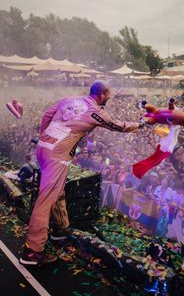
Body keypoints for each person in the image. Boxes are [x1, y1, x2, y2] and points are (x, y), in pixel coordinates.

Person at [19, 81, 145, 265]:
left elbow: (47, 114)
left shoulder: (70, 99)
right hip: (57, 154)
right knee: (45, 199)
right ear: (101, 95)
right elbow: (119, 126)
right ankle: (32, 251)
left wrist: (43, 134)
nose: (109, 98)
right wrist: (140, 124)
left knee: (56, 190)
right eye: (108, 95)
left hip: (44, 147)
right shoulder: (95, 111)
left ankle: (60, 230)